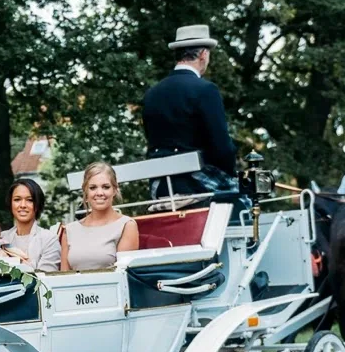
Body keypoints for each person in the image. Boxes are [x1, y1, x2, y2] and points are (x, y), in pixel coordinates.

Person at [141, 24, 238, 200]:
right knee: (246, 198)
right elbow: (222, 148)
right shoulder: (206, 89)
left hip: (160, 186)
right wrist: (232, 171)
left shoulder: (151, 94)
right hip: (197, 183)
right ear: (203, 54)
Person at [61, 162, 139, 271]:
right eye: (93, 188)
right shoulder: (69, 230)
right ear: (86, 192)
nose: (99, 193)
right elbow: (63, 276)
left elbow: (124, 275)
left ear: (115, 190)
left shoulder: (126, 225)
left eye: (106, 187)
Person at [0, 178, 61, 272]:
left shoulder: (49, 239)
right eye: (17, 199)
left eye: (30, 200)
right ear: (10, 203)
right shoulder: (1, 239)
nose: (23, 205)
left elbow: (46, 279)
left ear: (37, 204)